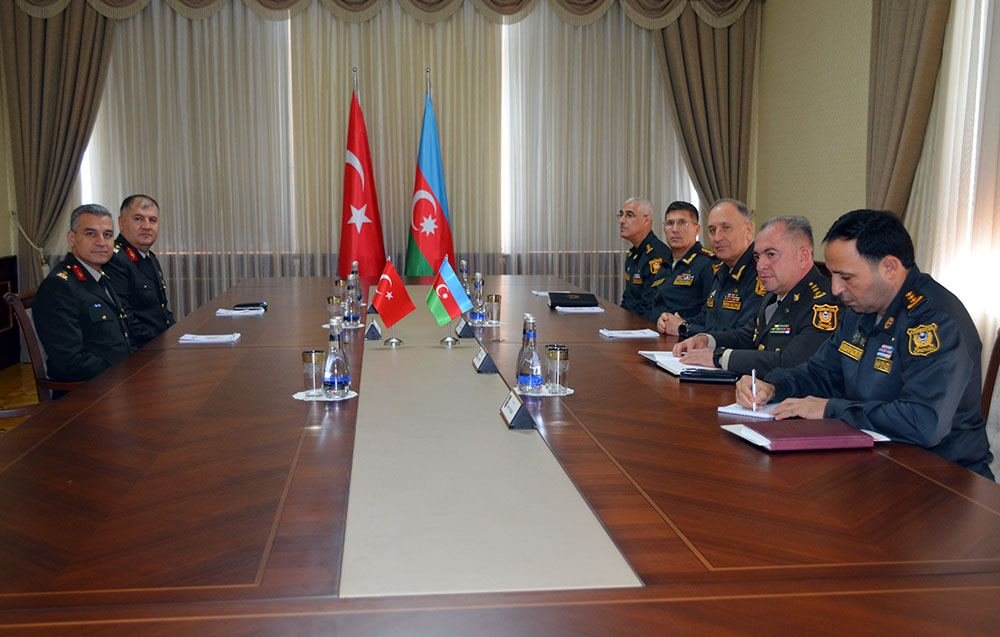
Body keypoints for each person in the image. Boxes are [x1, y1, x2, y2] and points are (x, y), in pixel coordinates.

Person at [736, 209, 994, 479]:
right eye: (832, 275)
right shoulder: (859, 309)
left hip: (942, 476)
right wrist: (772, 386)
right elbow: (821, 373)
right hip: (874, 461)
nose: (835, 289)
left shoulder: (934, 322)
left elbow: (923, 421)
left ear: (889, 268)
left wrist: (830, 409)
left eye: (846, 277)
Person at [672, 216, 840, 376]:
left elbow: (791, 363)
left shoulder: (824, 303)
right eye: (757, 257)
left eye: (771, 254)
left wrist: (720, 358)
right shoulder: (774, 295)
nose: (760, 266)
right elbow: (747, 336)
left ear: (802, 257)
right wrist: (707, 340)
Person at [34, 204, 132, 383]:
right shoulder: (59, 287)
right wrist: (126, 372)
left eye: (108, 235)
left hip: (118, 380)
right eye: (91, 234)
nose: (101, 242)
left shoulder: (99, 276)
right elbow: (71, 362)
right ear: (72, 239)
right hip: (91, 391)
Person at [657, 198, 763, 338]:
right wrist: (672, 322)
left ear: (748, 230)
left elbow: (744, 337)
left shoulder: (761, 271)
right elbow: (706, 319)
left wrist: (684, 328)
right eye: (712, 230)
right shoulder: (722, 270)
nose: (717, 238)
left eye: (726, 228)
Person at [105, 194, 176, 348]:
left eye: (152, 220)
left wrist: (176, 334)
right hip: (141, 350)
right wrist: (162, 343)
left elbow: (162, 310)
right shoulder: (115, 259)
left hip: (159, 345)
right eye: (138, 219)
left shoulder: (149, 257)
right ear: (121, 223)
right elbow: (126, 319)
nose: (146, 226)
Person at [644, 201, 716, 323]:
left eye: (682, 223)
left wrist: (683, 325)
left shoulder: (707, 264)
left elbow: (711, 314)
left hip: (687, 333)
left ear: (697, 229)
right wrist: (659, 320)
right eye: (670, 223)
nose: (675, 229)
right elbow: (652, 305)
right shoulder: (665, 264)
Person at [619, 197, 671, 320]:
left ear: (646, 220)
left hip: (645, 325)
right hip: (630, 322)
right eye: (621, 215)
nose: (622, 221)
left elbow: (651, 306)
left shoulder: (656, 255)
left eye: (629, 215)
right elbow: (628, 300)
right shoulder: (634, 254)